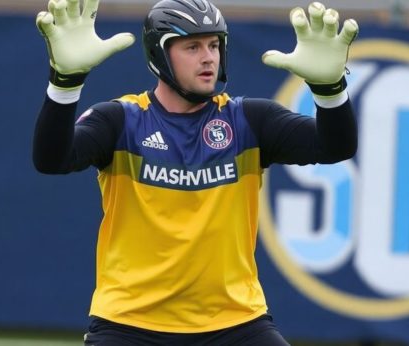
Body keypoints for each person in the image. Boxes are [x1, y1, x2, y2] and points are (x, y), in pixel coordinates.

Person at [33, 0, 359, 344]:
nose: (208, 57)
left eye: (214, 45)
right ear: (160, 56)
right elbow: (51, 159)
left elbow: (334, 147)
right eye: (192, 46)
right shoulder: (121, 120)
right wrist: (65, 84)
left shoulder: (250, 120)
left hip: (236, 323)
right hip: (129, 324)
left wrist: (330, 90)